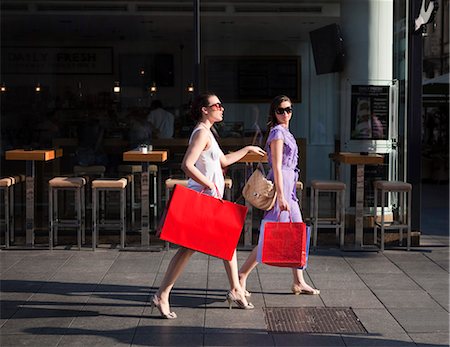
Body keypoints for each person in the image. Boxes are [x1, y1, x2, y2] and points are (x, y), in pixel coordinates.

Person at [152, 91, 266, 319]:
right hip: (202, 198)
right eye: (217, 105)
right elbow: (187, 164)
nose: (221, 108)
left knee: (227, 241)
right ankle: (162, 294)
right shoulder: (201, 133)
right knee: (188, 249)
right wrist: (210, 185)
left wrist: (247, 150)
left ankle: (235, 289)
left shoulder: (208, 133)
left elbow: (222, 161)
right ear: (205, 110)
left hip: (208, 197)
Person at [238, 95, 320, 297]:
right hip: (282, 187)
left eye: (289, 109)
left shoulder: (285, 131)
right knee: (270, 235)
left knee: (297, 232)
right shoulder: (277, 132)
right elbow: (275, 164)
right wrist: (281, 196)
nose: (285, 114)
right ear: (274, 113)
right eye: (281, 110)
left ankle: (298, 281)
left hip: (288, 187)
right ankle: (241, 275)